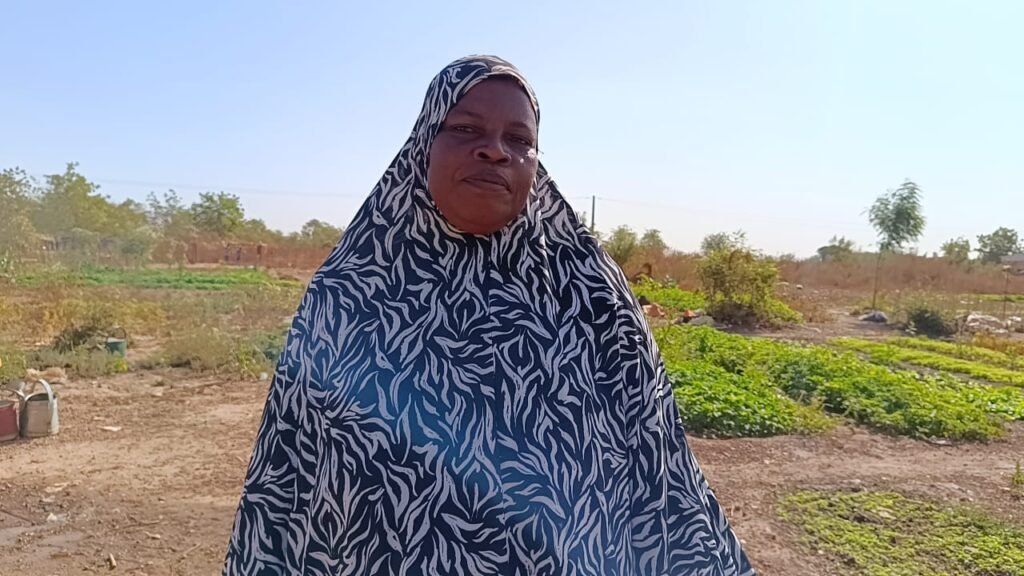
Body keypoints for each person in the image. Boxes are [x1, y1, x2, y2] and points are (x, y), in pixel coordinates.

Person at [224, 55, 753, 575]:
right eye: (465, 128)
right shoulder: (351, 295)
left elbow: (660, 483)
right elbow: (288, 486)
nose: (494, 151)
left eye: (519, 140)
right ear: (422, 145)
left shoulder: (594, 300)